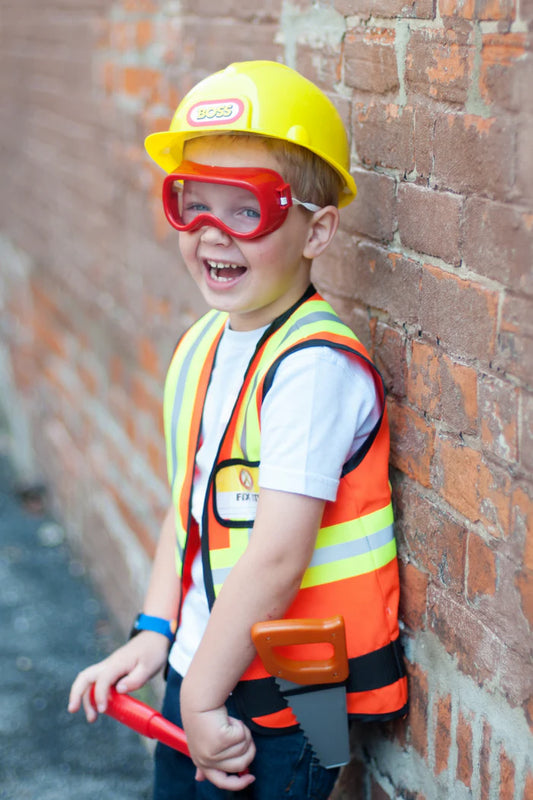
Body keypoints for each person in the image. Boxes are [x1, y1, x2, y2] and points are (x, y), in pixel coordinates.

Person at [68, 60, 408, 799]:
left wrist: (199, 698)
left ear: (316, 229)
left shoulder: (313, 369)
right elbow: (187, 508)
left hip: (281, 701)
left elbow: (278, 556)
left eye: (245, 210)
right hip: (202, 671)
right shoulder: (207, 342)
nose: (211, 234)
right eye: (192, 204)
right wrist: (154, 633)